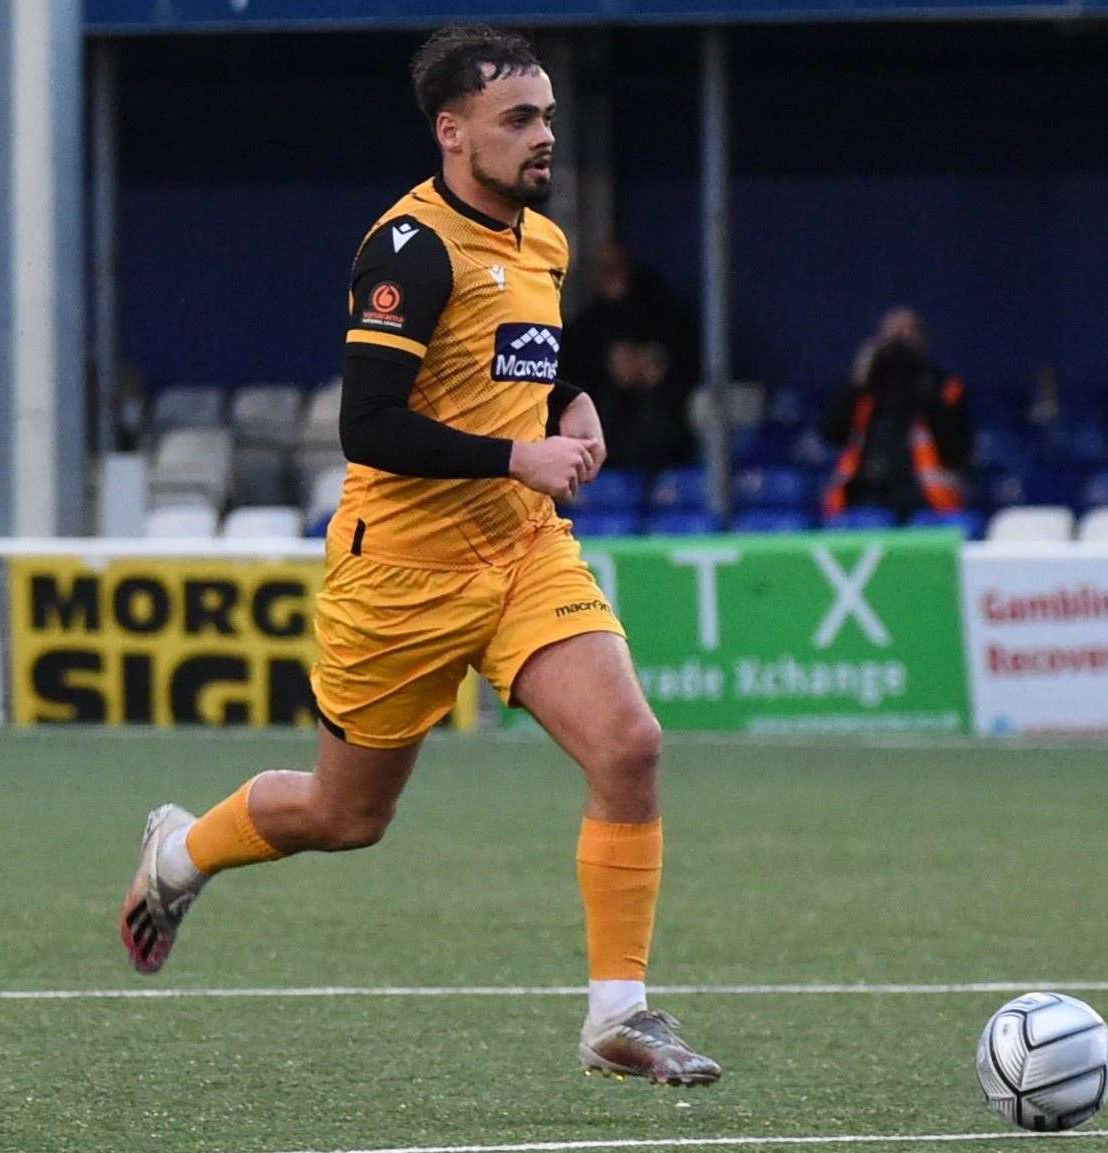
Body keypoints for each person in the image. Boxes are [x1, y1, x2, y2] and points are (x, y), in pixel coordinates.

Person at [118, 25, 720, 1088]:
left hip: (522, 553)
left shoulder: (540, 238)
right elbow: (369, 425)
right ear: (453, 133)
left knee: (628, 744)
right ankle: (178, 852)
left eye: (545, 115)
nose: (543, 137)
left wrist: (571, 397)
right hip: (399, 572)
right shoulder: (407, 249)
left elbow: (532, 349)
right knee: (345, 816)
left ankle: (617, 1014)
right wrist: (513, 453)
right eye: (518, 120)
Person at [821, 306, 970, 520]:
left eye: (907, 333)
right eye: (892, 334)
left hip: (926, 500)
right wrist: (857, 382)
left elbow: (957, 451)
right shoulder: (865, 388)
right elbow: (831, 434)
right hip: (864, 495)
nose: (899, 341)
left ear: (922, 340)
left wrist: (925, 388)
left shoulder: (944, 387)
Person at [560, 243, 696, 400]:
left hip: (662, 404)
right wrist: (608, 363)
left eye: (616, 268)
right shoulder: (586, 324)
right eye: (603, 270)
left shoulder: (661, 309)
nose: (610, 276)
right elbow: (573, 368)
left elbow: (684, 351)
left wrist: (655, 360)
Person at [598, 332, 696, 472]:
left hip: (666, 470)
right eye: (616, 361)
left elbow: (667, 443)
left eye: (628, 358)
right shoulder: (608, 399)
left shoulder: (672, 394)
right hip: (621, 474)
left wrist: (654, 389)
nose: (621, 366)